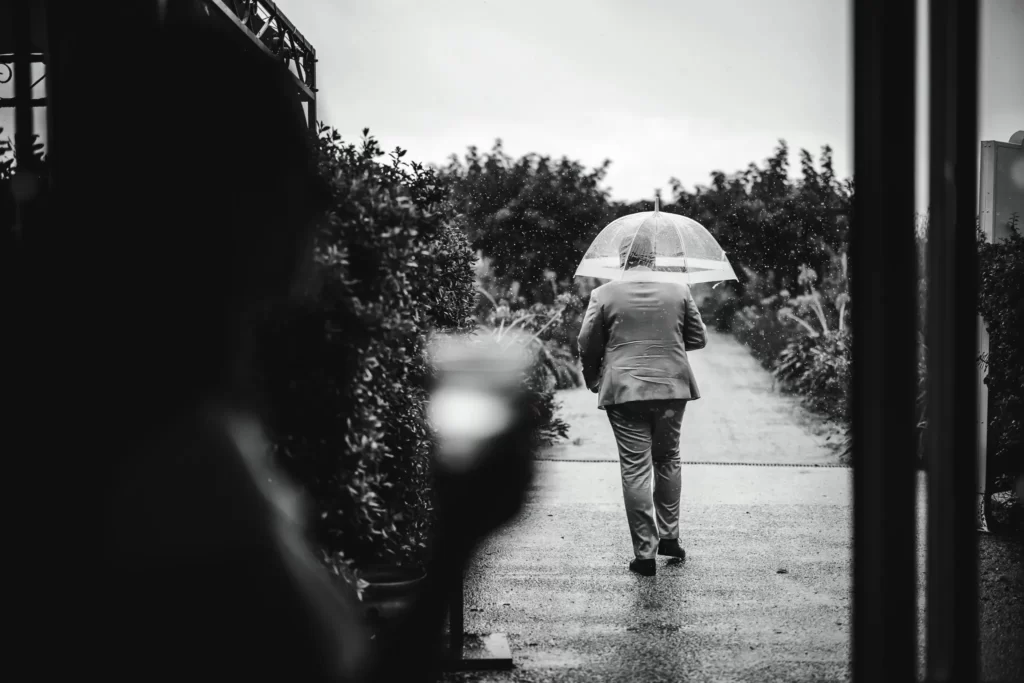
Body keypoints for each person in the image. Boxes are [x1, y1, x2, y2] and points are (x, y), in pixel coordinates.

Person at [9, 2, 534, 681]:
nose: (320, 203)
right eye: (293, 171)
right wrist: (459, 534)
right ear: (214, 198)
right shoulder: (174, 480)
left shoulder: (116, 421)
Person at [576, 230, 707, 576]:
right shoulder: (679, 290)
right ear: (654, 258)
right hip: (671, 388)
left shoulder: (603, 294)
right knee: (668, 458)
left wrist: (593, 378)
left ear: (623, 258)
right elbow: (698, 338)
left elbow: (587, 342)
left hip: (624, 392)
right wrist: (665, 345)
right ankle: (670, 537)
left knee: (635, 468)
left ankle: (645, 556)